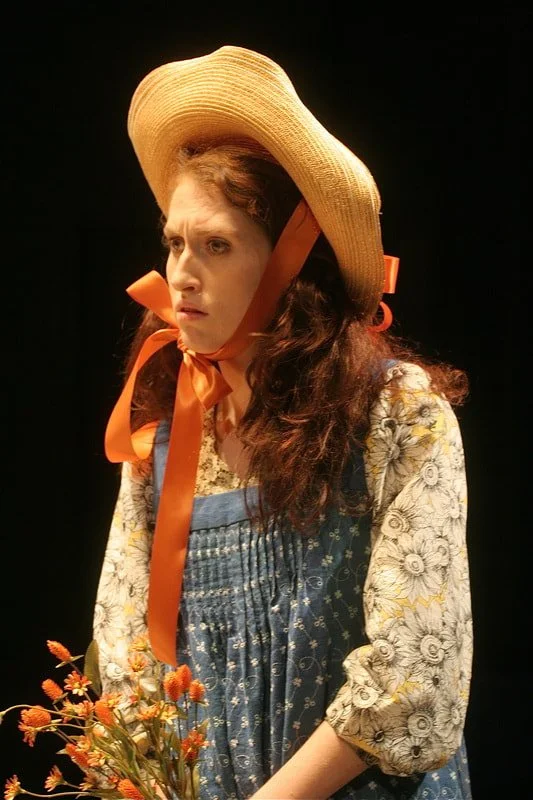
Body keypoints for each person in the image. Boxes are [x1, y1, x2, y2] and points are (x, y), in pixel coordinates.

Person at [93, 45, 473, 799]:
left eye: (216, 246)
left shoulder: (395, 414)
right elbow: (125, 658)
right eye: (174, 242)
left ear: (288, 265)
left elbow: (417, 675)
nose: (180, 273)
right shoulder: (163, 439)